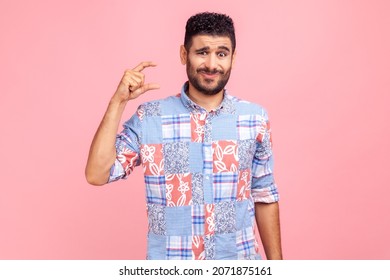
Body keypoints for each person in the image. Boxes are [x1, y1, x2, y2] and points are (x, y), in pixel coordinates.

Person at [85, 12, 282, 260]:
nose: (212, 64)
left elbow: (264, 195)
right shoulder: (150, 118)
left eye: (221, 54)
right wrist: (118, 102)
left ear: (233, 57)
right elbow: (97, 174)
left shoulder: (255, 119)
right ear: (183, 54)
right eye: (202, 52)